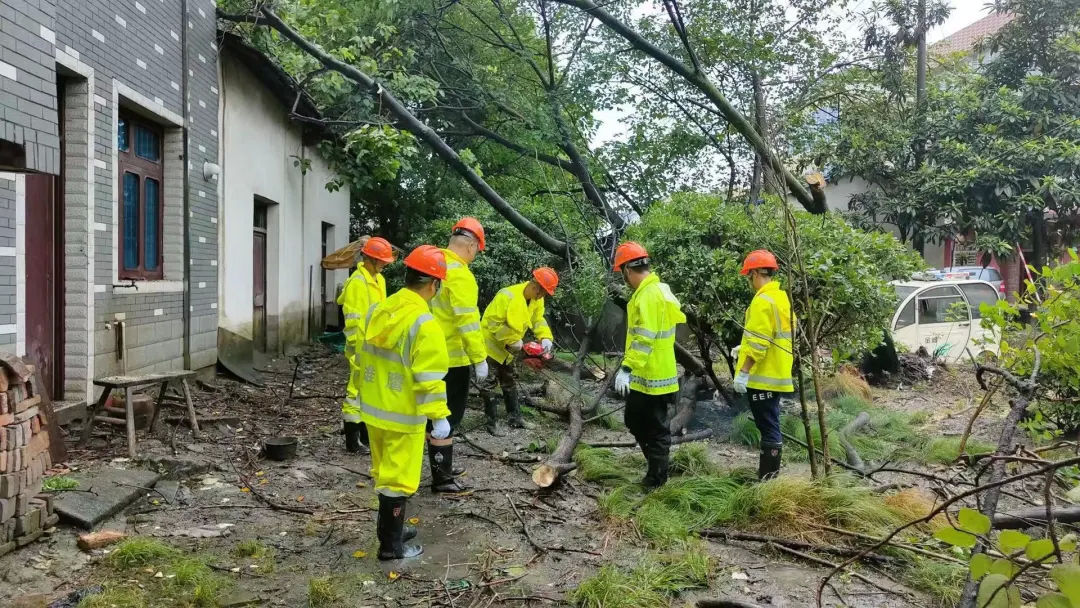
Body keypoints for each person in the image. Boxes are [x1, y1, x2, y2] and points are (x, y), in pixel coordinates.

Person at [358, 245, 450, 560]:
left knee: (383, 472)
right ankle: (391, 547)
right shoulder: (424, 324)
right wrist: (439, 417)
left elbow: (360, 359)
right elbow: (429, 379)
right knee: (398, 479)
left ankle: (390, 531)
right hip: (402, 415)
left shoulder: (379, 309)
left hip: (373, 409)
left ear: (408, 275)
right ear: (433, 285)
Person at [612, 242, 685, 489]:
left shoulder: (649, 295)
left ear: (627, 270)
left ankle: (657, 479)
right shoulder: (655, 290)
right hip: (649, 374)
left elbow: (644, 338)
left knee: (655, 429)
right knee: (634, 420)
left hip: (652, 375)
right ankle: (656, 468)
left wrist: (626, 368)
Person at [427, 217, 487, 493]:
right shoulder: (460, 273)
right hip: (452, 359)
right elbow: (468, 321)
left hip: (427, 354)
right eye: (477, 251)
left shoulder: (433, 264)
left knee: (434, 415)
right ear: (472, 246)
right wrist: (479, 358)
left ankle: (444, 469)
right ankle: (442, 479)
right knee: (448, 417)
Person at [731, 249, 794, 480]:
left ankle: (768, 478)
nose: (749, 281)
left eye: (749, 276)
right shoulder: (780, 298)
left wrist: (744, 372)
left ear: (756, 273)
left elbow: (759, 342)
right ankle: (768, 475)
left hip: (763, 376)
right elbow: (771, 336)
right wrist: (743, 348)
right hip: (776, 373)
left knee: (768, 427)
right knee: (770, 422)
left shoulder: (762, 301)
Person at [479, 267, 558, 435]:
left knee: (509, 381)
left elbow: (538, 320)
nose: (543, 297)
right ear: (535, 286)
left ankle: (516, 418)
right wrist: (512, 340)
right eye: (543, 293)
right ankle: (491, 424)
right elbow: (493, 324)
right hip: (491, 345)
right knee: (489, 384)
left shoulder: (537, 300)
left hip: (509, 348)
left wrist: (545, 337)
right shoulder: (506, 295)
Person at [337, 236, 393, 454]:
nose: (384, 264)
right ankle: (352, 442)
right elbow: (354, 322)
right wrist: (358, 349)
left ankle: (365, 436)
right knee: (356, 392)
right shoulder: (357, 283)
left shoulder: (379, 280)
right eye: (381, 260)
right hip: (360, 347)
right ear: (369, 258)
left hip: (375, 345)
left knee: (370, 391)